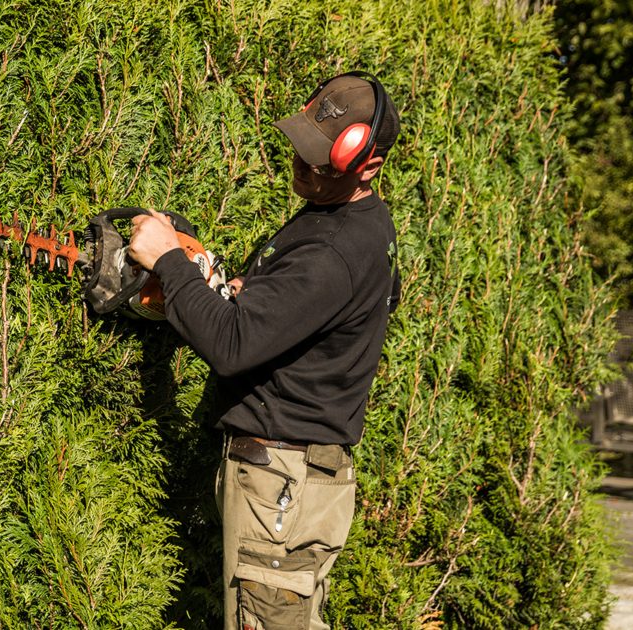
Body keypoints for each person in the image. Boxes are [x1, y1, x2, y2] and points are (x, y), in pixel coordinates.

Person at [128, 71, 401, 630]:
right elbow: (319, 307)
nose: (301, 163)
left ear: (366, 165)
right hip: (293, 481)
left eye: (319, 159)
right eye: (301, 146)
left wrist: (169, 262)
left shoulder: (335, 249)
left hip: (282, 486)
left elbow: (232, 346)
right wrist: (257, 299)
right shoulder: (353, 219)